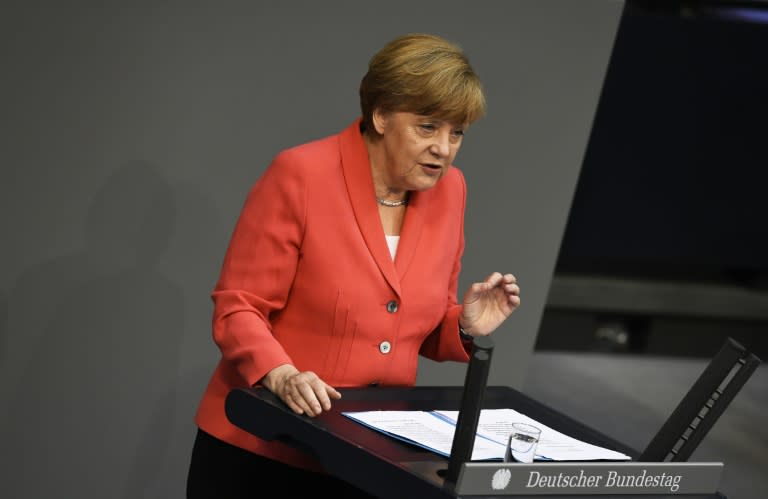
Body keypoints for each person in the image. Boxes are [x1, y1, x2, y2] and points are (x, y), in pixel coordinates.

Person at [186, 32, 521, 498]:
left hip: (365, 457)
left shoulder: (451, 191)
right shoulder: (301, 173)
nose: (444, 149)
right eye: (428, 127)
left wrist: (461, 325)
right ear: (381, 115)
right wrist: (281, 375)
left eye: (457, 132)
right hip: (263, 448)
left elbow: (405, 326)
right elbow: (237, 306)